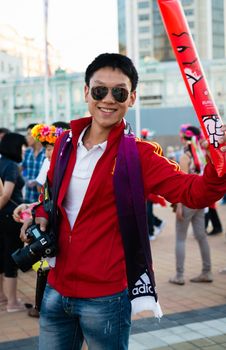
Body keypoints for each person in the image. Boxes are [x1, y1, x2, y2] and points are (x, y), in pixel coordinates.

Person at [19, 53, 226, 350]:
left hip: (105, 300)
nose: (108, 99)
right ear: (86, 92)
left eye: (120, 92)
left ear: (132, 98)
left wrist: (219, 164)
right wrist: (39, 213)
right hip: (55, 288)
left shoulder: (139, 155)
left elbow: (195, 192)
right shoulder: (65, 143)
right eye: (100, 89)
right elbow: (51, 195)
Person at [169, 125, 213, 286]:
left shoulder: (185, 157)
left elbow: (182, 185)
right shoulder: (201, 155)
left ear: (184, 138)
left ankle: (179, 275)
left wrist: (179, 206)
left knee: (180, 238)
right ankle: (207, 272)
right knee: (201, 236)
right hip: (201, 201)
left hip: (187, 201)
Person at [0, 132, 28, 312]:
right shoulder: (10, 166)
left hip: (2, 218)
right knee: (11, 258)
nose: (24, 150)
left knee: (0, 256)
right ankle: (12, 303)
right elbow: (6, 194)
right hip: (11, 216)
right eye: (22, 146)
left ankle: (2, 299)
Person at [22, 123, 46, 203]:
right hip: (27, 197)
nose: (26, 137)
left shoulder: (47, 153)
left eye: (29, 134)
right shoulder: (27, 152)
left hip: (42, 200)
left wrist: (37, 181)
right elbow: (22, 169)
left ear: (37, 136)